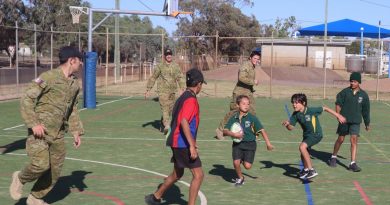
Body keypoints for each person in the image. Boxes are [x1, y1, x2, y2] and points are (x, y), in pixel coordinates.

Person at [9, 46, 84, 205]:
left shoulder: (75, 84)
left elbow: (73, 109)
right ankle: (20, 178)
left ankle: (35, 198)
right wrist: (33, 123)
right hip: (40, 132)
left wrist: (76, 131)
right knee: (40, 164)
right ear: (72, 61)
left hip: (58, 135)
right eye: (80, 61)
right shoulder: (48, 77)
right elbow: (27, 98)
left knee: (54, 172)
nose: (81, 64)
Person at [145, 68, 206, 205]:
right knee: (199, 175)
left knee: (177, 174)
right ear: (199, 84)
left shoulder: (182, 97)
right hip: (182, 143)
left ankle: (155, 197)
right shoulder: (190, 100)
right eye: (201, 84)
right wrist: (191, 145)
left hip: (176, 141)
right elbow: (184, 121)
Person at [282, 93, 346, 180]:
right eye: (293, 102)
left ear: (303, 103)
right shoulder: (295, 114)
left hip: (316, 134)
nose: (294, 104)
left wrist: (338, 115)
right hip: (307, 136)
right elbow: (291, 128)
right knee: (303, 152)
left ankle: (311, 170)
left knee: (302, 147)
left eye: (296, 102)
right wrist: (287, 124)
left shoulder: (311, 110)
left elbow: (325, 108)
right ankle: (305, 170)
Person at [223, 95, 273, 186]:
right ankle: (241, 178)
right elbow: (225, 131)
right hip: (237, 144)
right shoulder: (234, 118)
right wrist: (233, 134)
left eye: (248, 104)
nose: (246, 105)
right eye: (244, 103)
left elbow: (262, 130)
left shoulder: (252, 118)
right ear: (238, 105)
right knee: (236, 162)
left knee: (247, 166)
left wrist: (268, 143)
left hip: (250, 144)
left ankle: (242, 159)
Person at [328, 72, 370, 172]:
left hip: (356, 121)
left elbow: (366, 110)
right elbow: (338, 104)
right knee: (341, 139)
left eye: (354, 81)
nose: (352, 83)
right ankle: (333, 157)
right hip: (344, 120)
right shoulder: (344, 92)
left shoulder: (363, 95)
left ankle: (352, 163)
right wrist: (338, 115)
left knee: (354, 140)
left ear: (359, 82)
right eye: (351, 81)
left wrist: (367, 123)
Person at [216, 51, 261, 140]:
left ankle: (253, 133)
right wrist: (253, 82)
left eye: (258, 59)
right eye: (255, 58)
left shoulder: (252, 67)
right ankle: (220, 130)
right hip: (239, 93)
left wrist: (251, 88)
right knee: (234, 112)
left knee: (252, 112)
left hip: (248, 93)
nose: (256, 60)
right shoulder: (246, 65)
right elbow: (241, 78)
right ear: (250, 58)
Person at [145, 48, 186, 134]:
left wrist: (182, 88)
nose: (169, 56)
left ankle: (162, 123)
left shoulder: (176, 66)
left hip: (173, 92)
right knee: (164, 108)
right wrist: (148, 89)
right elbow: (153, 77)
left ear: (172, 55)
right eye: (167, 55)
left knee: (170, 110)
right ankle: (167, 125)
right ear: (164, 56)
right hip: (162, 91)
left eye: (170, 54)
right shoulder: (160, 66)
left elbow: (180, 77)